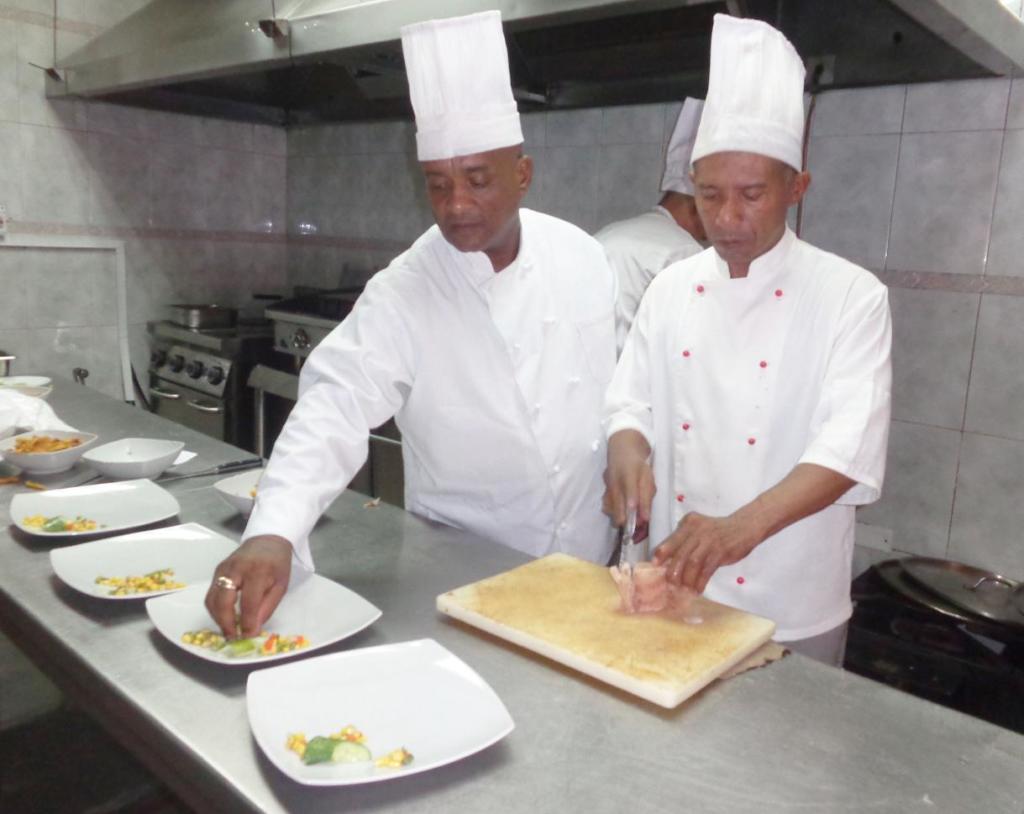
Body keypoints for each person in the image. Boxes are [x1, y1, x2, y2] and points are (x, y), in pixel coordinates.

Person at [206, 10, 617, 636]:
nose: (456, 205)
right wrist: (273, 530)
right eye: (438, 184)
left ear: (522, 175)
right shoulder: (406, 289)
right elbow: (334, 405)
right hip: (471, 574)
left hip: (591, 568)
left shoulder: (581, 255)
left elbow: (620, 384)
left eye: (477, 180)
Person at [602, 14, 892, 666]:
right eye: (709, 196)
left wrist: (738, 529)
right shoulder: (671, 287)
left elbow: (847, 451)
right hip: (674, 587)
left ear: (797, 188)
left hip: (791, 605)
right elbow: (629, 402)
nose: (728, 218)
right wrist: (626, 450)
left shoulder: (852, 296)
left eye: (752, 195)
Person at [594, 98, 707, 350]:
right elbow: (687, 349)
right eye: (715, 198)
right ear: (696, 204)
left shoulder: (610, 233)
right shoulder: (685, 253)